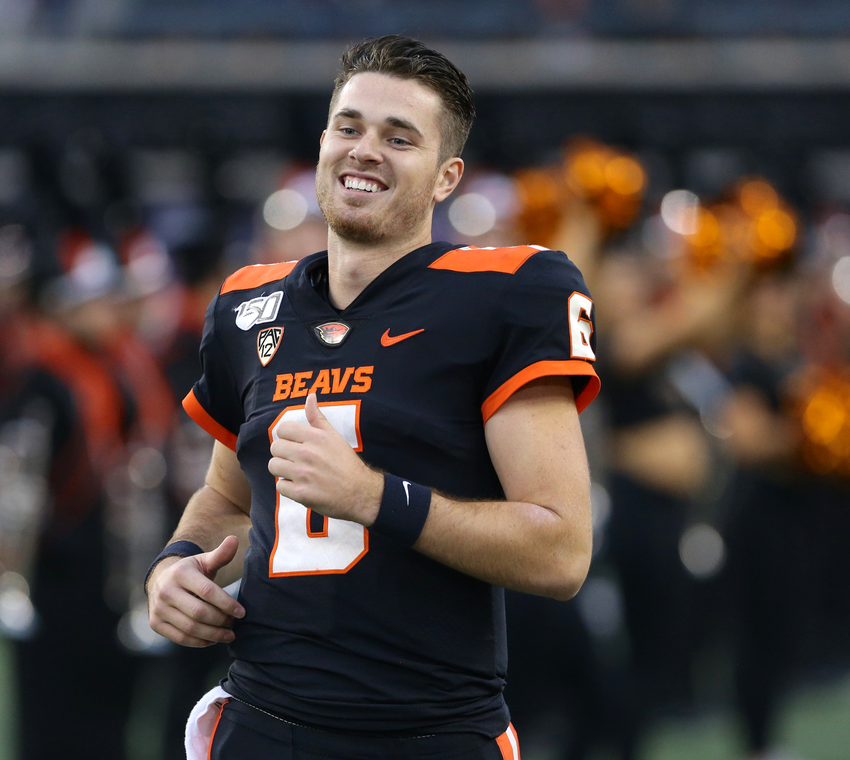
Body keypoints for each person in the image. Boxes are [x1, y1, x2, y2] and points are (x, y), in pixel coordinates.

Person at [146, 35, 600, 760]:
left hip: (427, 731)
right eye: (349, 127)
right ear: (323, 141)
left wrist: (375, 498)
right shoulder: (246, 305)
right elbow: (226, 500)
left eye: (399, 137)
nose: (364, 151)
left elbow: (560, 552)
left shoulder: (507, 294)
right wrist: (174, 565)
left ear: (445, 177)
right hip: (265, 723)